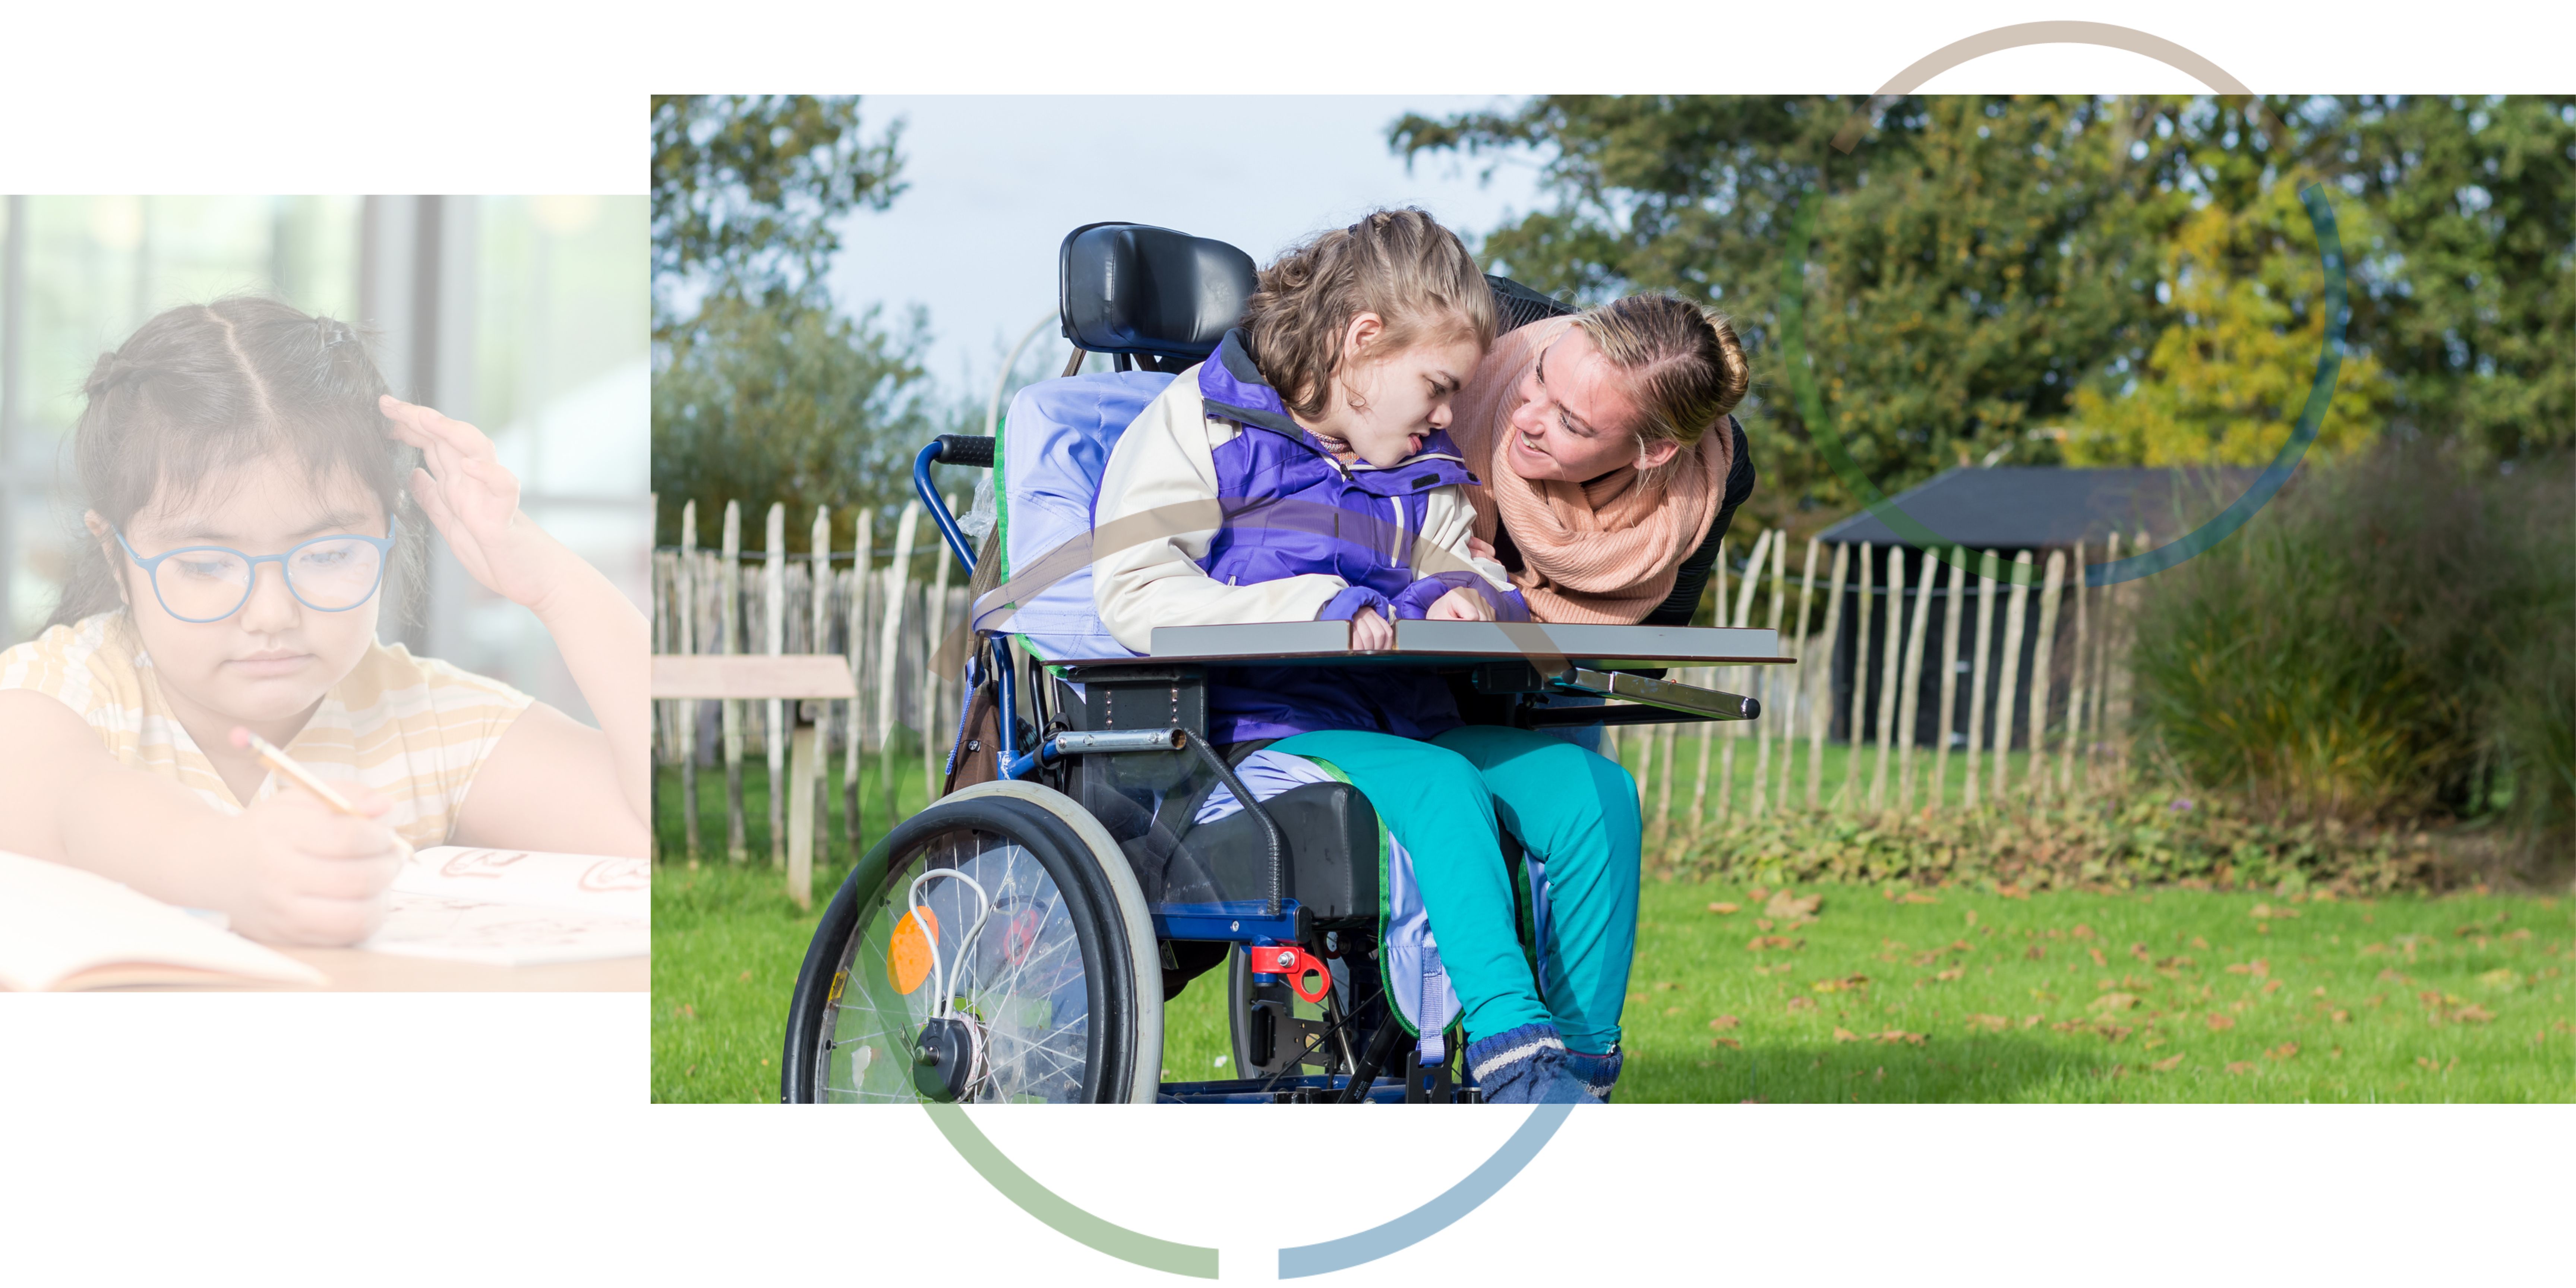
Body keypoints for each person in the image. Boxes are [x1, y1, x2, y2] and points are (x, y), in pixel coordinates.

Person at [1090, 209, 1638, 1103]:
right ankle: (1513, 1057)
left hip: (1403, 721)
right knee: (1436, 783)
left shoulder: (1420, 461)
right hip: (1251, 741)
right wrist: (1313, 604)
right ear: (1362, 339)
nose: (1448, 413)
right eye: (1436, 384)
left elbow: (1464, 560)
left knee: (1592, 794)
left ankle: (1578, 1072)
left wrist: (1472, 599)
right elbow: (1134, 594)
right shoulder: (1200, 423)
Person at [0, 297, 648, 947]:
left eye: (328, 554)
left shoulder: (423, 720)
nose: (273, 615)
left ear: (390, 532)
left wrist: (555, 585)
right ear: (117, 558)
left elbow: (651, 825)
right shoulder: (54, 690)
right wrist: (225, 865)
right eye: (204, 564)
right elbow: (74, 806)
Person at [1449, 290, 1756, 628]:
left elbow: (1645, 659)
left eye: (1569, 423)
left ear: (1653, 453)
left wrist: (1498, 598)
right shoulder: (1478, 316)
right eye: (1540, 374)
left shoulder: (1721, 471)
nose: (1522, 419)